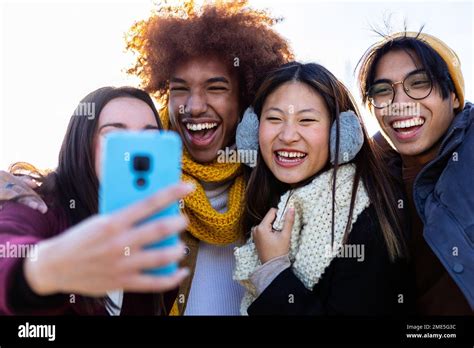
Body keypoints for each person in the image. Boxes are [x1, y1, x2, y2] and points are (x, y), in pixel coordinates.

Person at [0, 1, 293, 315]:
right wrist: (42, 271)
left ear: (244, 96)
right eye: (180, 88)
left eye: (216, 87)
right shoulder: (43, 204)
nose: (194, 106)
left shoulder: (273, 187)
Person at [233, 62, 412, 315]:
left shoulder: (366, 219)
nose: (287, 135)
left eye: (306, 120)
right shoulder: (268, 200)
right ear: (252, 129)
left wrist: (273, 271)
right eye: (274, 118)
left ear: (340, 133)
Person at [0, 86, 193, 315]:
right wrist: (45, 268)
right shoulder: (35, 204)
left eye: (149, 139)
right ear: (82, 142)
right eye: (114, 137)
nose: (133, 151)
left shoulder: (153, 239)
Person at [357, 31, 473, 315]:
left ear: (454, 96)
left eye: (419, 83)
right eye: (383, 90)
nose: (400, 103)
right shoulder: (368, 177)